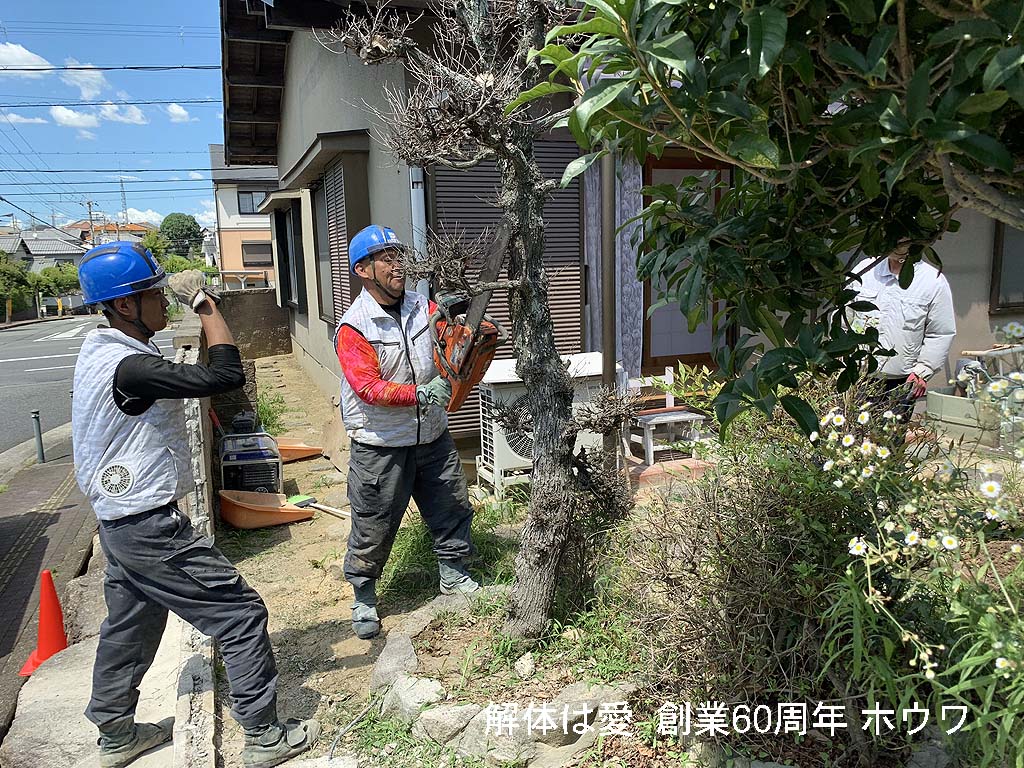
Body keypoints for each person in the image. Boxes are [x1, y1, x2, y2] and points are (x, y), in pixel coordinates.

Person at [72, 242, 318, 768]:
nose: (164, 301)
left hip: (119, 522)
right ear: (123, 306)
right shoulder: (129, 366)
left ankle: (116, 736)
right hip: (146, 524)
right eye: (152, 293)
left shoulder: (102, 352)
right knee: (240, 614)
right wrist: (206, 307)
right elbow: (226, 376)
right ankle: (264, 736)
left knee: (130, 625)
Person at [334, 225, 480, 640]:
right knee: (373, 522)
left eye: (400, 255)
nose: (399, 265)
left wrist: (455, 321)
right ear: (363, 269)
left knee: (450, 505)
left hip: (432, 434)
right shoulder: (354, 327)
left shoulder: (423, 306)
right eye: (387, 258)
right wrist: (420, 392)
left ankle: (453, 574)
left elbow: (448, 341)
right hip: (380, 444)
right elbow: (367, 387)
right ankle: (363, 594)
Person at [851, 245, 956, 417]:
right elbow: (845, 318)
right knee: (850, 438)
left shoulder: (932, 280)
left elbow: (940, 333)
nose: (898, 244)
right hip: (858, 375)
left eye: (905, 239)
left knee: (890, 440)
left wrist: (923, 370)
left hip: (902, 382)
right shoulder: (865, 270)